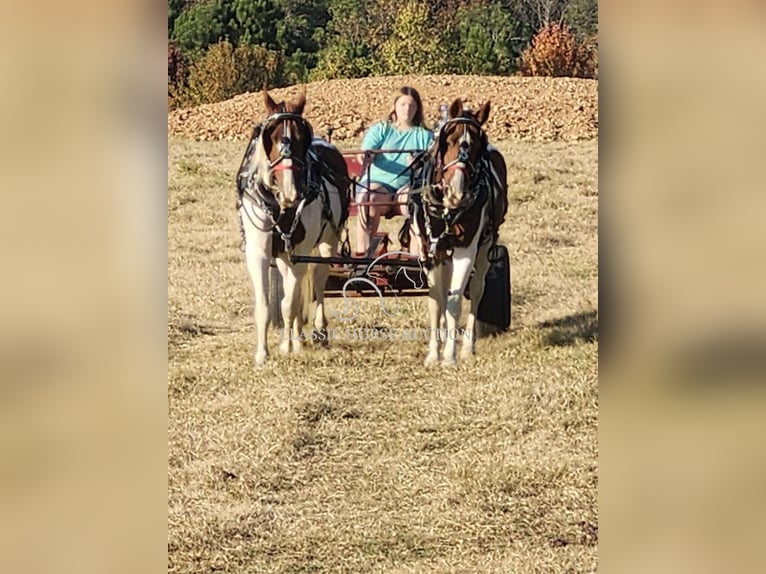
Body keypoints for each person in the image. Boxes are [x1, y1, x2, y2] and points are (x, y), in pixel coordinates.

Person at [356, 86, 433, 256]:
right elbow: (366, 152)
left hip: (407, 186)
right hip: (378, 184)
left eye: (412, 105)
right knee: (370, 199)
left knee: (417, 202)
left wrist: (418, 163)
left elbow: (431, 164)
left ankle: (416, 259)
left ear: (417, 108)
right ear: (395, 106)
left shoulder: (424, 136)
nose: (407, 109)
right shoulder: (382, 129)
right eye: (403, 104)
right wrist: (366, 157)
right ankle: (363, 257)